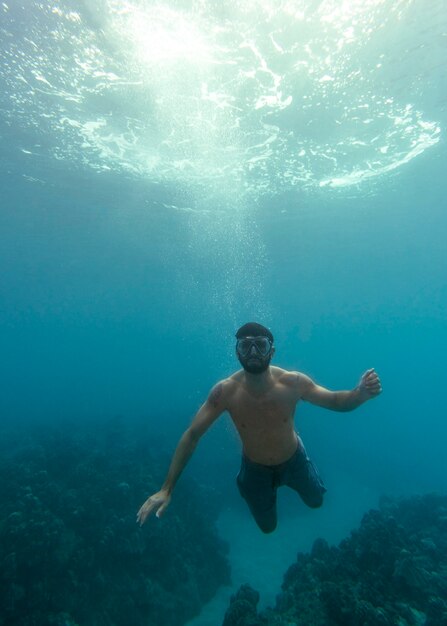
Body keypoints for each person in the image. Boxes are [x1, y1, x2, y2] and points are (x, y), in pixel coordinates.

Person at [137, 322, 382, 533]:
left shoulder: (293, 382)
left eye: (260, 345)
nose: (253, 352)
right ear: (237, 353)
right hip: (255, 470)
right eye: (245, 346)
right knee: (268, 528)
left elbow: (335, 401)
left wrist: (359, 394)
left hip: (295, 459)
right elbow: (192, 435)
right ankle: (251, 486)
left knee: (316, 502)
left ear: (272, 351)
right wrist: (166, 488)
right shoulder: (225, 392)